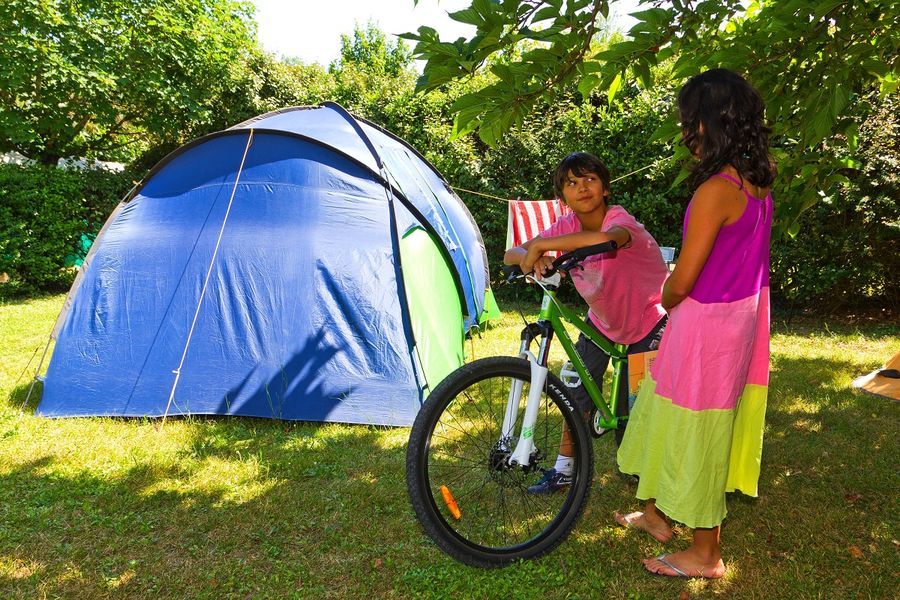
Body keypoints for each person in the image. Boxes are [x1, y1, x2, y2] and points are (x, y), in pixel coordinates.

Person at [615, 68, 775, 579]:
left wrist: (661, 294)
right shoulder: (758, 180)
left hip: (708, 322)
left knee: (698, 425)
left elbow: (683, 278)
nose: (687, 131)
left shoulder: (717, 190)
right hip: (737, 319)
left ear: (707, 123)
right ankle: (658, 515)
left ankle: (706, 553)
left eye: (690, 120)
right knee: (672, 411)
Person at [503, 152, 669, 493]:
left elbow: (610, 239)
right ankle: (564, 470)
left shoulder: (619, 218)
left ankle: (646, 474)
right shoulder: (565, 227)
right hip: (602, 322)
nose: (582, 188)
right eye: (571, 183)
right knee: (575, 394)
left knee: (633, 409)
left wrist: (545, 246)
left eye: (590, 180)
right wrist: (532, 257)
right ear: (563, 196)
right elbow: (512, 254)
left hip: (649, 319)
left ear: (606, 188)